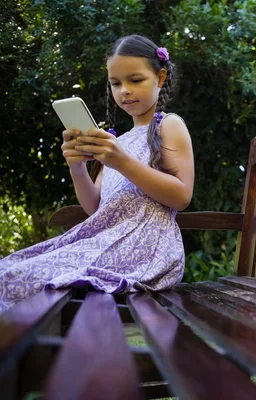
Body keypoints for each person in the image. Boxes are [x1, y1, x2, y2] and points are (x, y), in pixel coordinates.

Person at [0, 34, 194, 312]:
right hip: (105, 239)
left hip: (145, 247)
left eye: (135, 80)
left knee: (18, 277)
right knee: (8, 268)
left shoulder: (168, 126)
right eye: (116, 83)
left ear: (160, 77)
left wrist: (121, 161)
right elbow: (95, 207)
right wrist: (76, 166)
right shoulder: (118, 141)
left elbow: (181, 196)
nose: (124, 90)